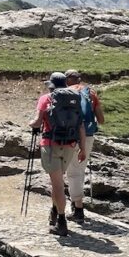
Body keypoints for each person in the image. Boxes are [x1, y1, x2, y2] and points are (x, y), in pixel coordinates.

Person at [30, 72, 86, 237]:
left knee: (57, 184)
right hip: (70, 146)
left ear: (51, 85)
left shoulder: (46, 99)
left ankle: (61, 221)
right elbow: (80, 126)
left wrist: (30, 123)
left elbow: (38, 122)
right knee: (59, 182)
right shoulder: (75, 99)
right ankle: (54, 211)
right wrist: (82, 148)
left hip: (51, 145)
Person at [65, 69, 104, 223]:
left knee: (72, 173)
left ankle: (78, 209)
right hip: (87, 136)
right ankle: (76, 204)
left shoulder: (64, 92)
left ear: (67, 80)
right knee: (78, 171)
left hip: (69, 136)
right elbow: (101, 119)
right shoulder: (91, 93)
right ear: (79, 79)